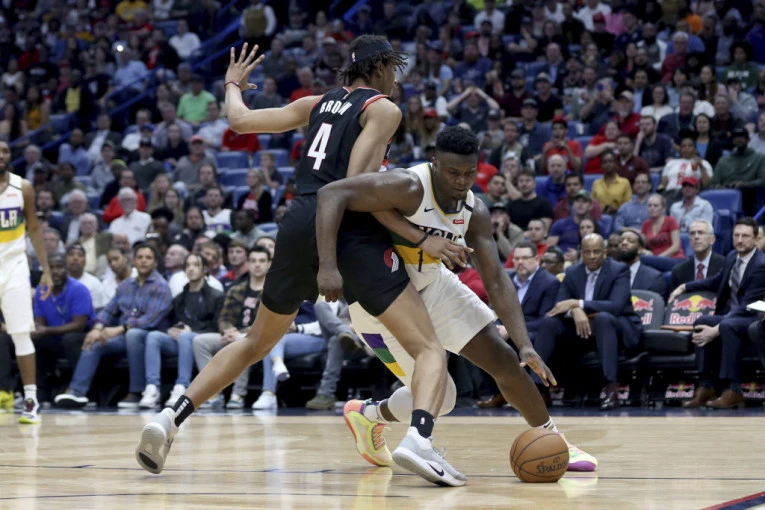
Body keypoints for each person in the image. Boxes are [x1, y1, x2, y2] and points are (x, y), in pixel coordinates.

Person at [136, 38, 472, 487]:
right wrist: (412, 238)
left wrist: (232, 84)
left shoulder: (316, 103)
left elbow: (239, 120)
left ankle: (169, 419)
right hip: (345, 229)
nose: (396, 80)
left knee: (255, 342)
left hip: (296, 224)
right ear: (378, 68)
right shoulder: (383, 109)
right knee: (429, 348)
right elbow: (353, 187)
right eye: (394, 70)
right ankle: (419, 440)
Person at [315, 126, 597, 473]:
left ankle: (553, 440)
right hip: (382, 304)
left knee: (505, 358)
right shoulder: (407, 185)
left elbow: (496, 280)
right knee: (443, 397)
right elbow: (331, 193)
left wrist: (525, 344)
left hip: (434, 285)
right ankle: (369, 414)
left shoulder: (475, 211)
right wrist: (328, 266)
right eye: (452, 172)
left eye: (469, 172)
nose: (461, 181)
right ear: (434, 162)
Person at [54, 243, 173, 409]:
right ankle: (77, 391)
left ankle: (136, 392)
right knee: (93, 342)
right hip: (123, 336)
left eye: (148, 258)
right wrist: (97, 329)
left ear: (155, 262)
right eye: (140, 257)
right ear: (133, 261)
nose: (143, 261)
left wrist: (120, 329)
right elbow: (108, 311)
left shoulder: (161, 286)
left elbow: (150, 319)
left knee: (134, 335)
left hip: (149, 337)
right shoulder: (126, 286)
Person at [536, 234, 643, 410]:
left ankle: (611, 389)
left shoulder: (619, 270)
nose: (592, 256)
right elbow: (560, 304)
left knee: (603, 318)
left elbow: (615, 306)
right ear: (581, 254)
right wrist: (574, 310)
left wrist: (579, 303)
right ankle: (538, 387)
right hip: (582, 329)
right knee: (549, 322)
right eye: (587, 252)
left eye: (596, 252)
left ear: (605, 253)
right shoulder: (572, 272)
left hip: (617, 328)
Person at [668, 218, 765, 409]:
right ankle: (706, 386)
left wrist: (716, 329)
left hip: (754, 317)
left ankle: (734, 390)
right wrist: (685, 286)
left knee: (727, 326)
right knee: (702, 321)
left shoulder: (761, 264)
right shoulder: (731, 256)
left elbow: (747, 305)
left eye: (745, 236)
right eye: (736, 235)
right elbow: (716, 280)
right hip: (733, 315)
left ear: (755, 239)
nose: (740, 240)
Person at [0, 140, 53, 424]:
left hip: (15, 265)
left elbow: (33, 227)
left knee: (21, 333)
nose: (1, 155)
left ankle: (31, 399)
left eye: (5, 151)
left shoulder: (23, 187)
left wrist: (45, 269)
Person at [141, 253, 224, 409]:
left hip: (201, 339)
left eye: (196, 265)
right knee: (154, 336)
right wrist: (170, 330)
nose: (191, 269)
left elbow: (216, 326)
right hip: (180, 340)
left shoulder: (216, 296)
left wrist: (192, 330)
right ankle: (152, 388)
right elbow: (169, 321)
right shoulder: (179, 297)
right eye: (188, 265)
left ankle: (181, 386)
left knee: (186, 336)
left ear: (204, 269)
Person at [192, 246, 270, 409]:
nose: (257, 265)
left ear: (269, 264)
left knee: (243, 341)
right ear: (248, 263)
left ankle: (238, 394)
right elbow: (224, 317)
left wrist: (241, 333)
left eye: (262, 261)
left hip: (254, 338)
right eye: (253, 261)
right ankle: (212, 393)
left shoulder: (272, 292)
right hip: (231, 335)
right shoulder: (236, 289)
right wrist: (227, 330)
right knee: (200, 341)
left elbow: (267, 323)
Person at [31, 254, 94, 404]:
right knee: (36, 342)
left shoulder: (78, 289)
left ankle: (84, 392)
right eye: (51, 268)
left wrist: (46, 330)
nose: (55, 272)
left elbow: (79, 325)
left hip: (80, 337)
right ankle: (40, 394)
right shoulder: (41, 289)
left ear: (67, 269)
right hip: (54, 338)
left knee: (70, 339)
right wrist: (39, 331)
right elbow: (40, 324)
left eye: (59, 267)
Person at [670, 219, 725, 290]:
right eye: (692, 233)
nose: (696, 237)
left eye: (701, 233)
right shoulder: (678, 271)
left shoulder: (724, 266)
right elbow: (674, 297)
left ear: (712, 239)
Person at [616, 228, 668, 298]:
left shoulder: (654, 278)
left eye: (630, 241)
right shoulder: (609, 273)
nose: (624, 243)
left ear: (640, 249)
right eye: (620, 241)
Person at [641, 194, 684, 259]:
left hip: (674, 258)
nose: (652, 208)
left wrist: (658, 258)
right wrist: (645, 251)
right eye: (649, 205)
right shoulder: (646, 224)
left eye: (656, 206)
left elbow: (676, 246)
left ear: (663, 209)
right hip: (654, 259)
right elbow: (640, 246)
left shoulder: (671, 221)